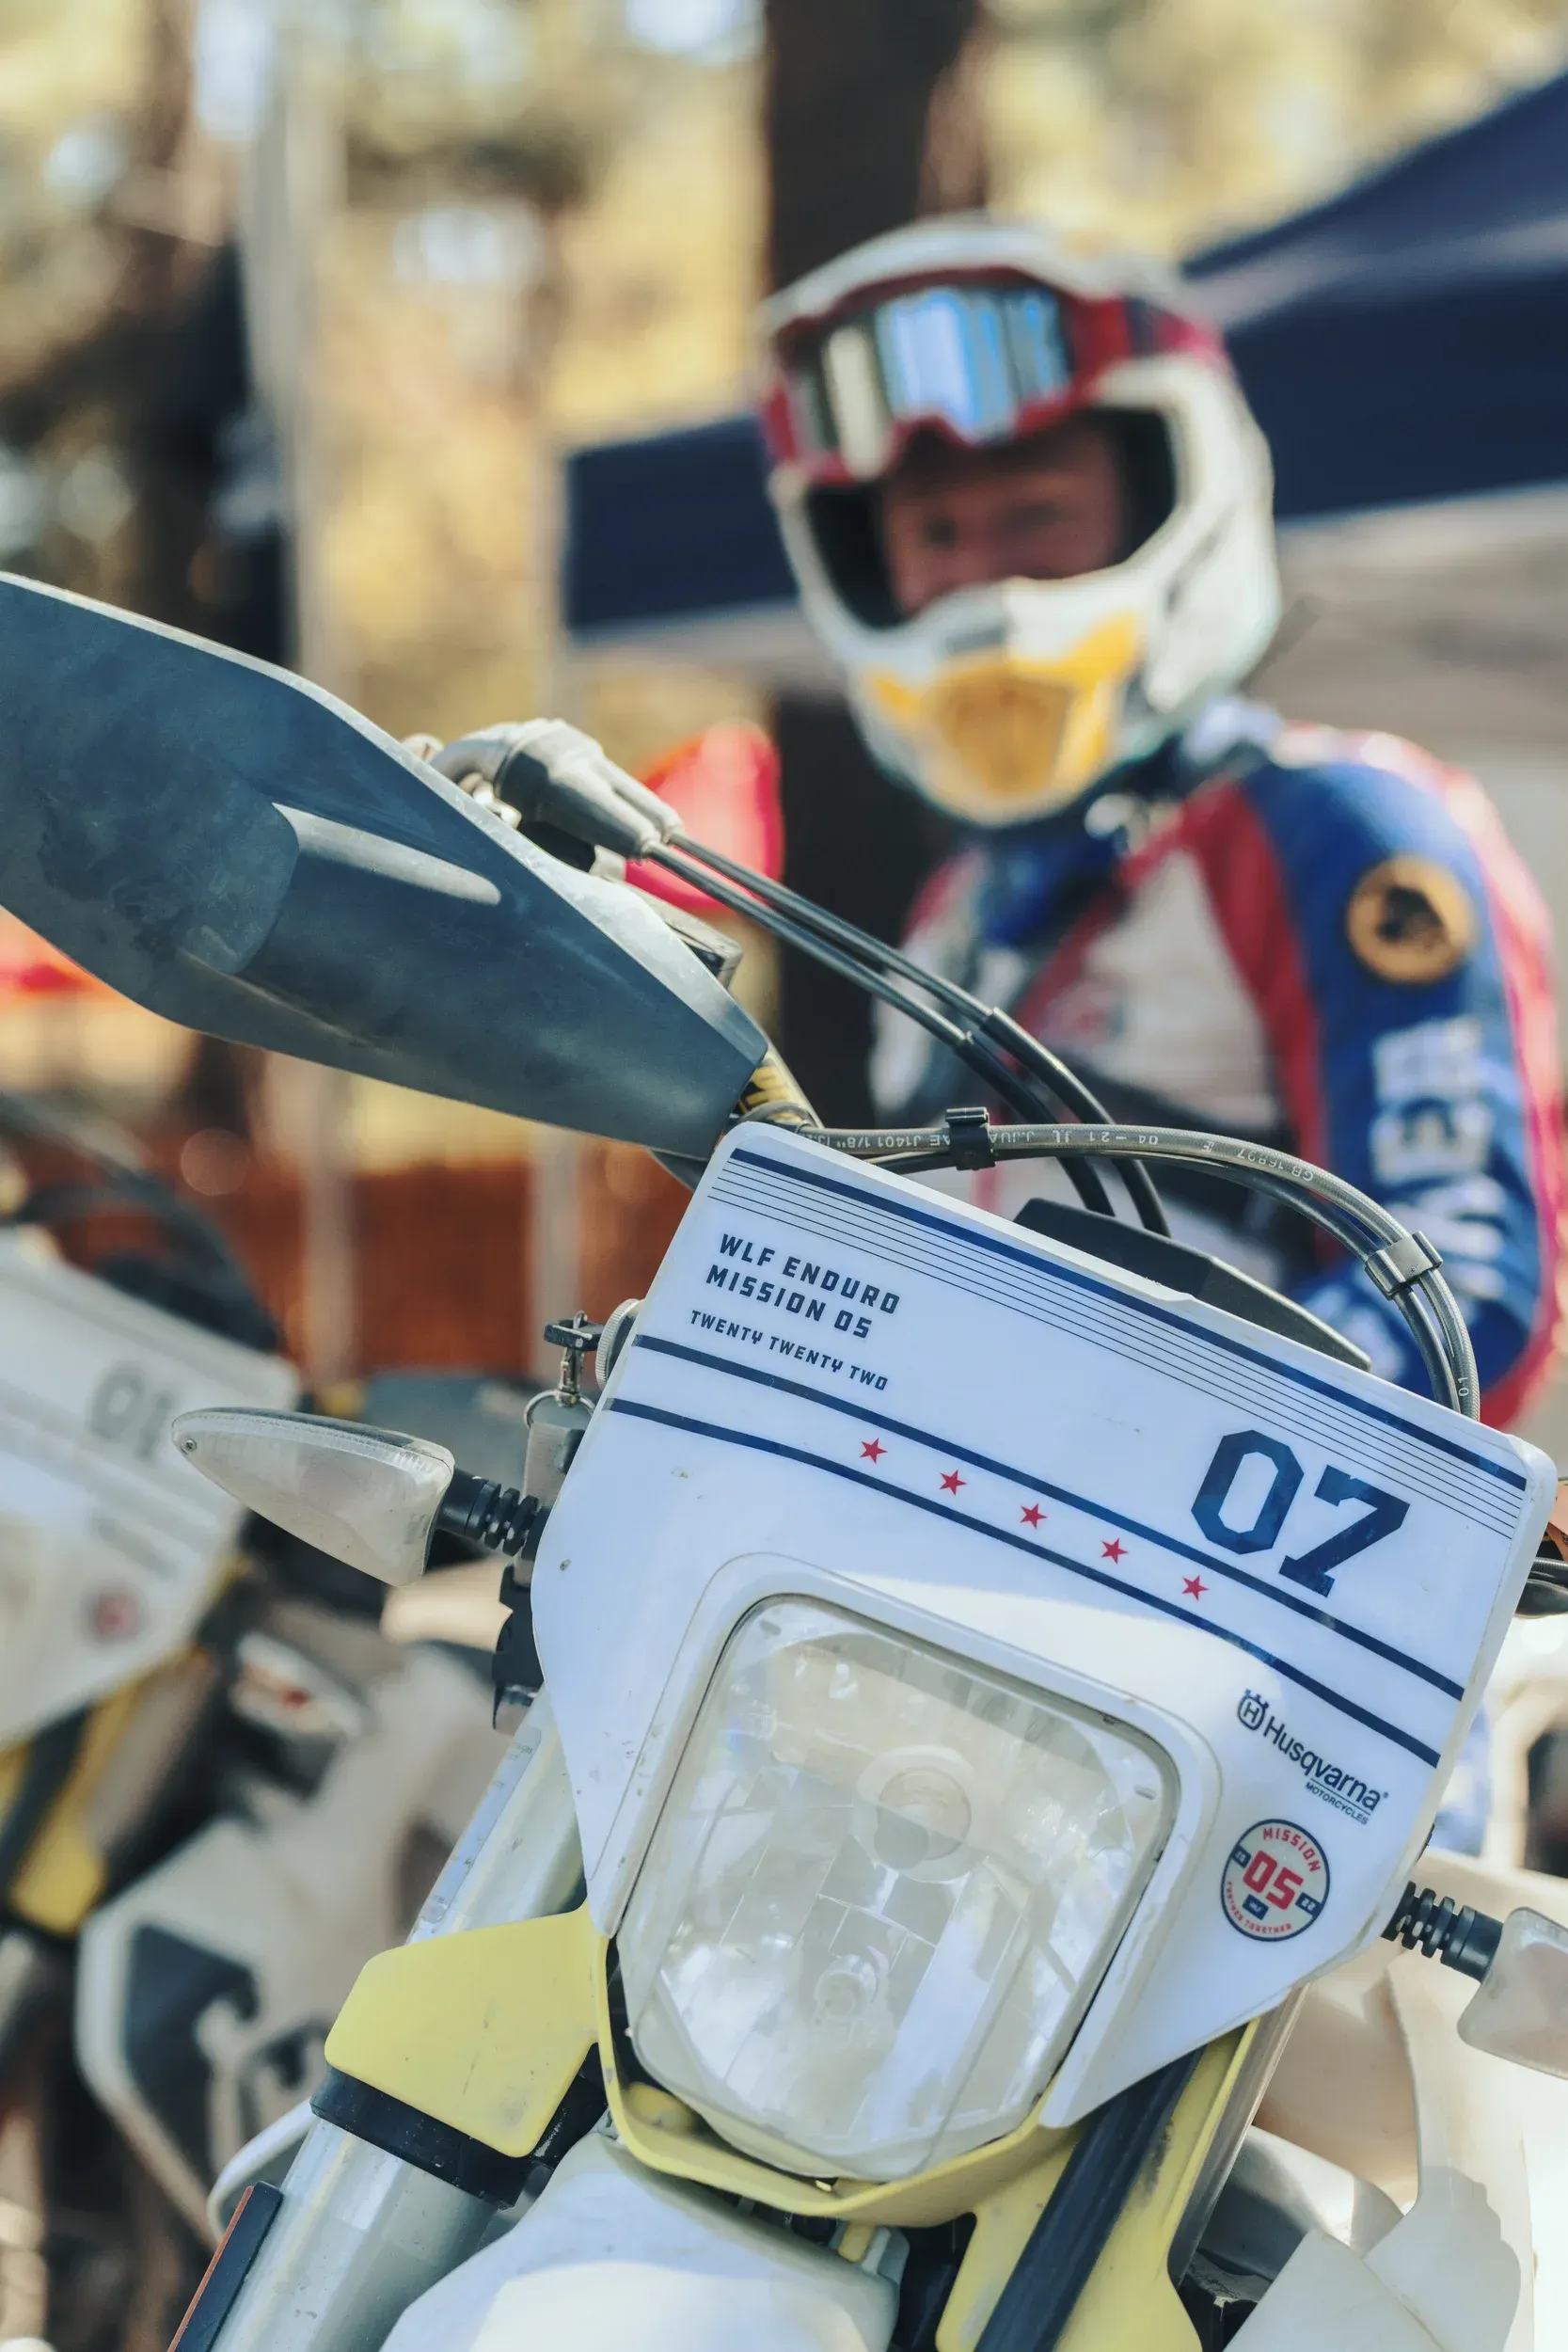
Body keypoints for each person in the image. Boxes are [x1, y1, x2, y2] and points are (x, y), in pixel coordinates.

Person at [757, 215, 1565, 1448]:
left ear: (1170, 502)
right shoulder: (956, 912)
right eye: (932, 536)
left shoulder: (1333, 826)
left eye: (1033, 512)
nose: (981, 580)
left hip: (1238, 1595)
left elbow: (1466, 1296)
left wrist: (1142, 1451)